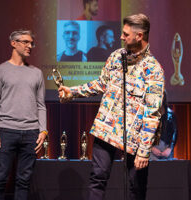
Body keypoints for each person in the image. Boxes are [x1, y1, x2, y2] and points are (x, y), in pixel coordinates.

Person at [58, 13, 165, 200]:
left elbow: (153, 113)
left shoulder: (153, 69)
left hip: (136, 136)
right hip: (107, 127)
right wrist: (72, 91)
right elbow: (101, 84)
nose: (121, 37)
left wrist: (144, 150)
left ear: (139, 36)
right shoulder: (116, 56)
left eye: (126, 34)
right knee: (97, 178)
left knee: (136, 187)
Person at [0, 30, 47, 200]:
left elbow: (41, 105)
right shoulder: (0, 71)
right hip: (6, 131)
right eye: (25, 42)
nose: (30, 46)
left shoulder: (36, 73)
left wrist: (43, 131)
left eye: (32, 43)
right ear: (13, 43)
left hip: (31, 133)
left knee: (24, 182)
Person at [150, 93, 178, 161]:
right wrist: (151, 148)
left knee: (167, 169)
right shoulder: (150, 113)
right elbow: (145, 132)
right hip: (152, 149)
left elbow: (175, 132)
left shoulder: (170, 114)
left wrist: (170, 148)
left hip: (166, 149)